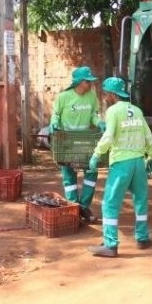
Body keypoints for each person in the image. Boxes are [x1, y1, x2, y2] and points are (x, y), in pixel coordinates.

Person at [87, 77, 152, 258]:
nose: (104, 97)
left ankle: (110, 244)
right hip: (139, 163)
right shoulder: (137, 111)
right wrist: (151, 156)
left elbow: (109, 136)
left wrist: (96, 154)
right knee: (140, 200)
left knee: (110, 203)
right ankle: (142, 238)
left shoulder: (113, 112)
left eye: (105, 93)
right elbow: (148, 136)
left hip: (121, 163)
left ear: (112, 94)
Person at [49, 66, 103, 223]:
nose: (91, 84)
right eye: (88, 81)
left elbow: (94, 114)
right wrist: (54, 122)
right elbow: (56, 114)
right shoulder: (63, 97)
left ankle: (84, 206)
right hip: (67, 141)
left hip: (85, 140)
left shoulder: (92, 95)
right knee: (68, 173)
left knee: (91, 171)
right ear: (79, 82)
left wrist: (99, 122)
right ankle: (73, 206)